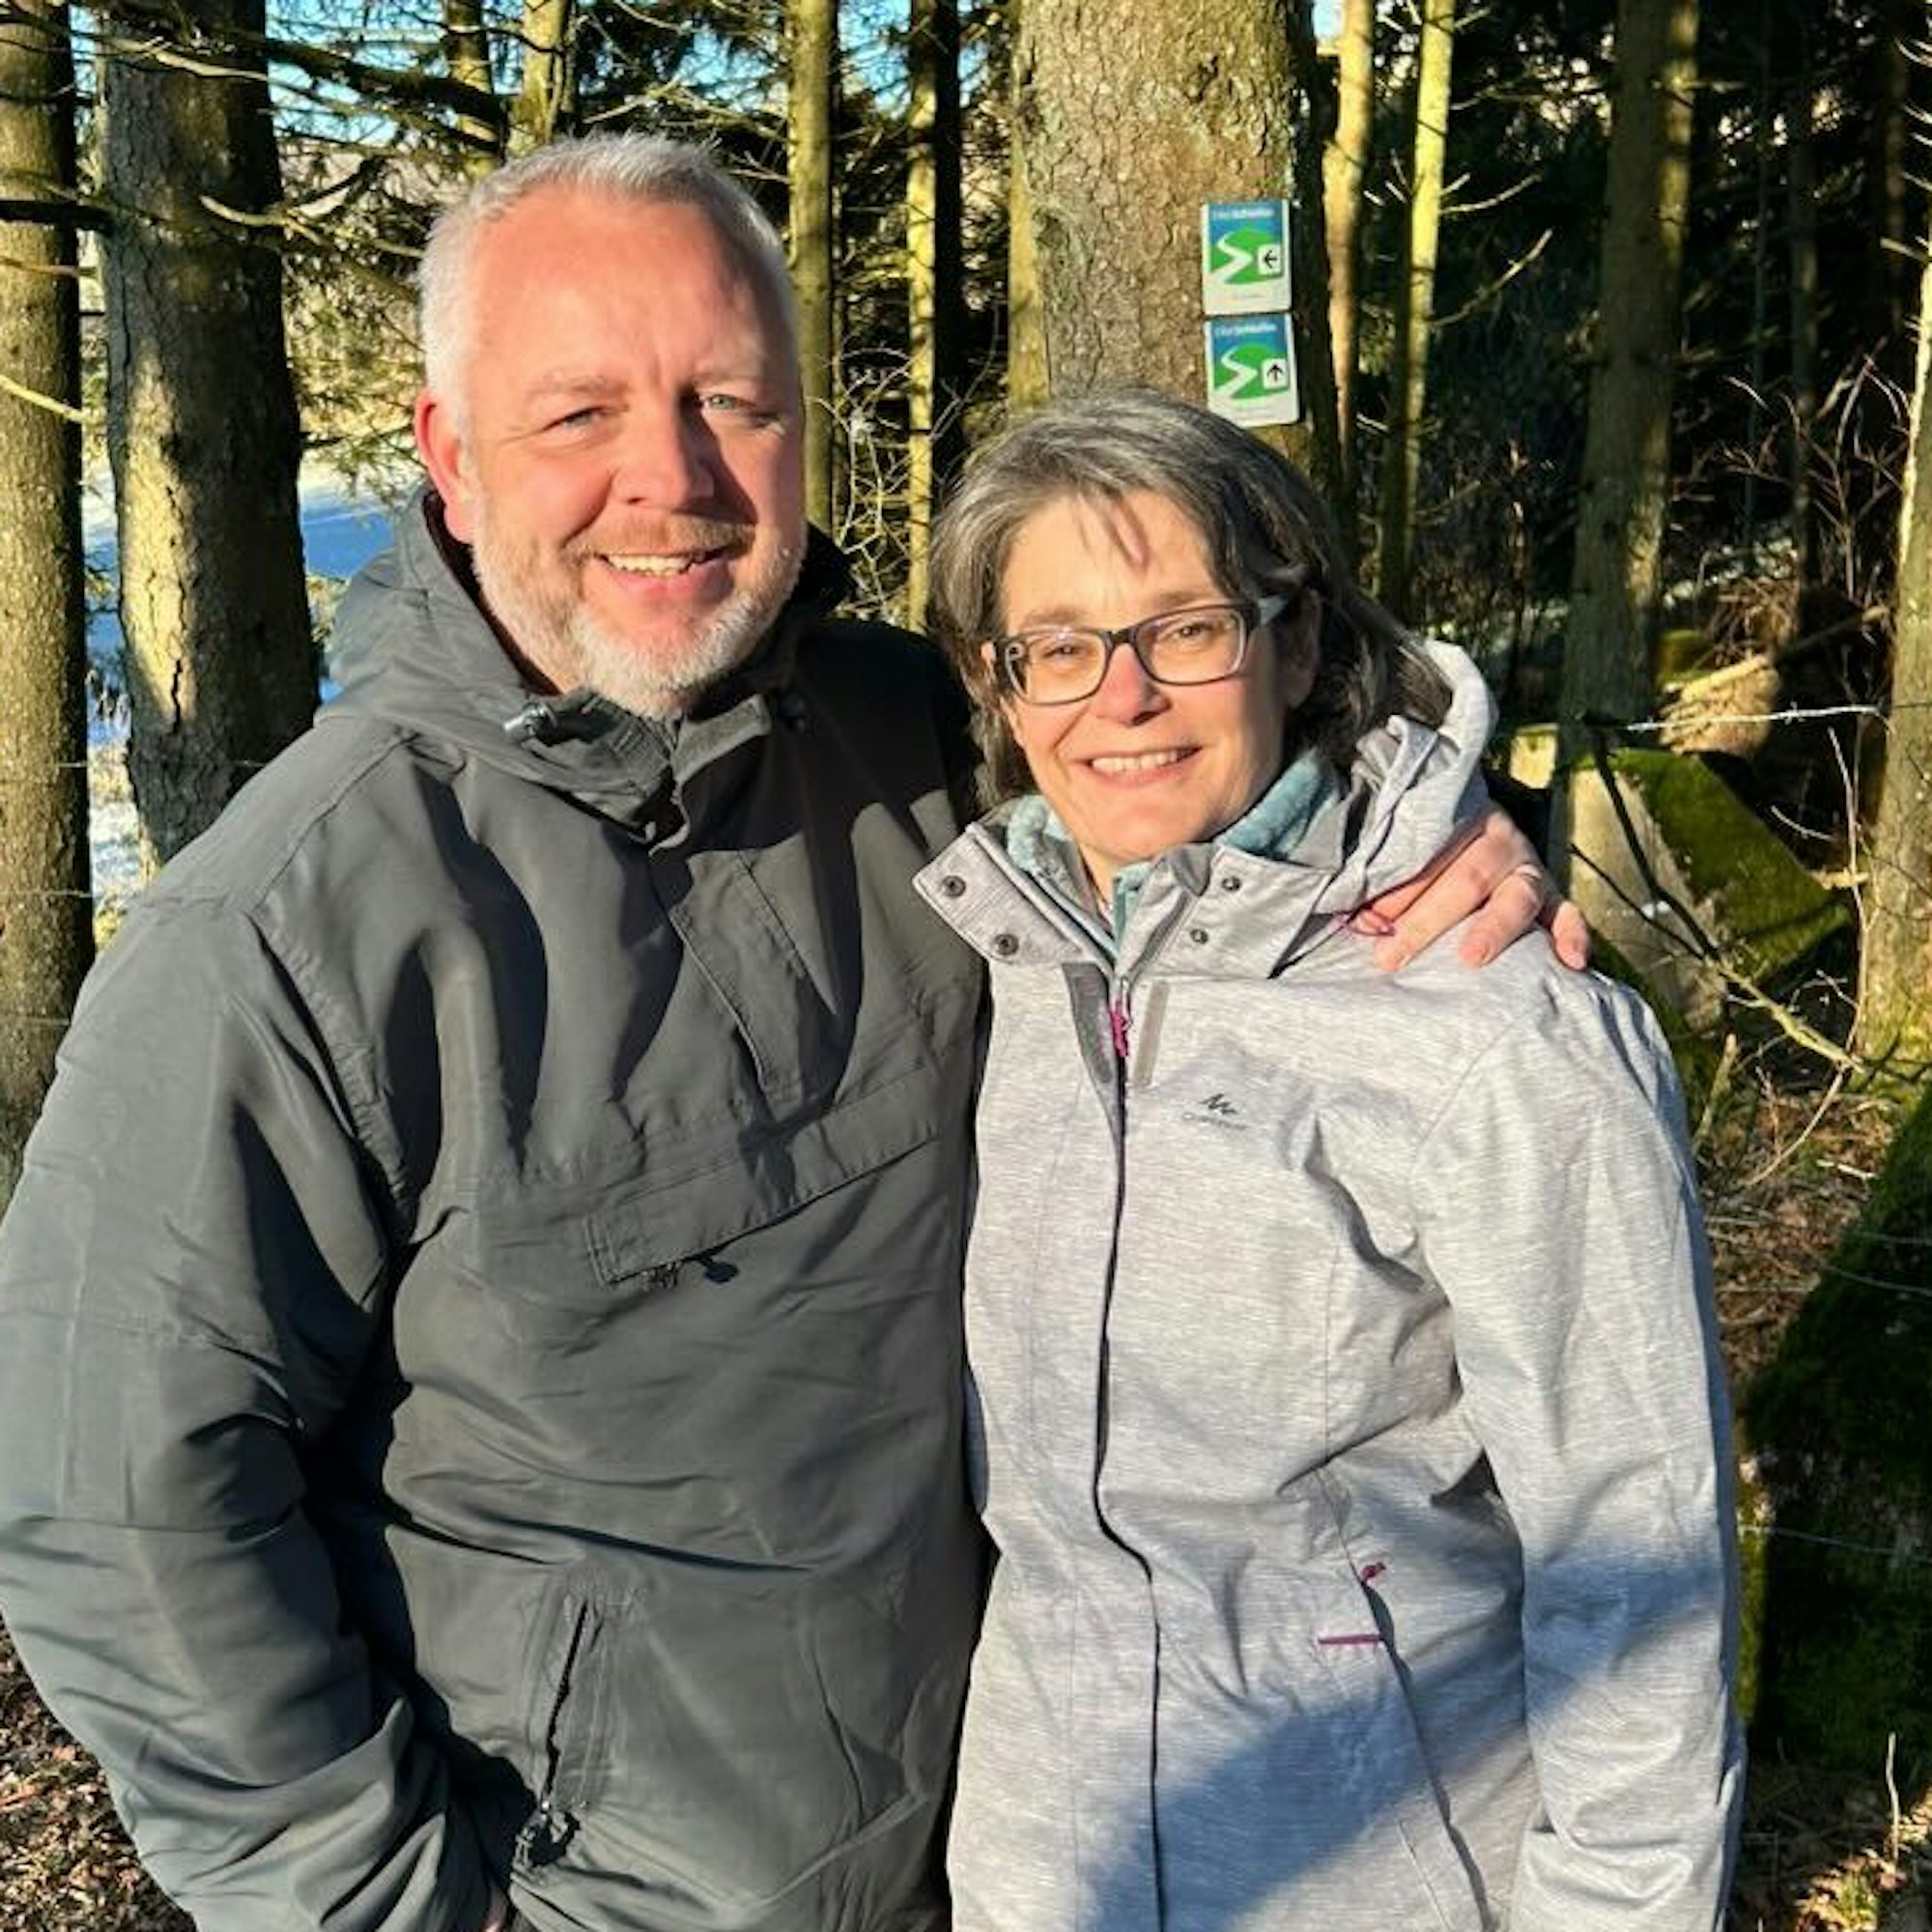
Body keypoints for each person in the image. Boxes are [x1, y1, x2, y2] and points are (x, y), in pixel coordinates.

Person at [0, 141, 1570, 1932]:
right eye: (577, 412)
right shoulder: (293, 926)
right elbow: (116, 1508)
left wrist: (1438, 822)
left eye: (727, 400)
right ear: (444, 453)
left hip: (1028, 1842)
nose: (666, 481)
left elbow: (1203, 762)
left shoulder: (914, 743)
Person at [915, 390, 1743, 1932]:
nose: (1127, 698)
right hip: (1044, 1870)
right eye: (1061, 646)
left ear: (1295, 646)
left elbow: (1636, 1563)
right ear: (998, 684)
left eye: (1189, 629)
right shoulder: (989, 966)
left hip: (1386, 1874)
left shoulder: (1493, 1027)